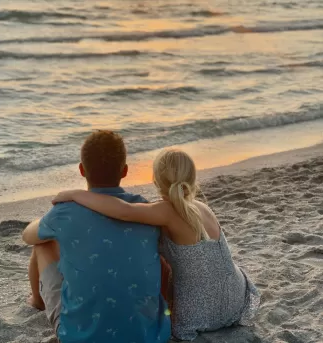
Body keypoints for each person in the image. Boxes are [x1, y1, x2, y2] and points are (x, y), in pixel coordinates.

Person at [53, 148, 260, 341]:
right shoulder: (202, 208)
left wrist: (76, 195)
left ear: (156, 180)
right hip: (235, 300)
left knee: (155, 252)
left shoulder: (166, 210)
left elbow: (123, 210)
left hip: (201, 313)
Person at [22, 130, 171, 343]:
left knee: (42, 245)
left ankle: (38, 301)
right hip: (149, 336)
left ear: (82, 170)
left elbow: (28, 236)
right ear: (125, 171)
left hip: (80, 337)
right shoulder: (144, 209)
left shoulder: (66, 212)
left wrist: (51, 220)